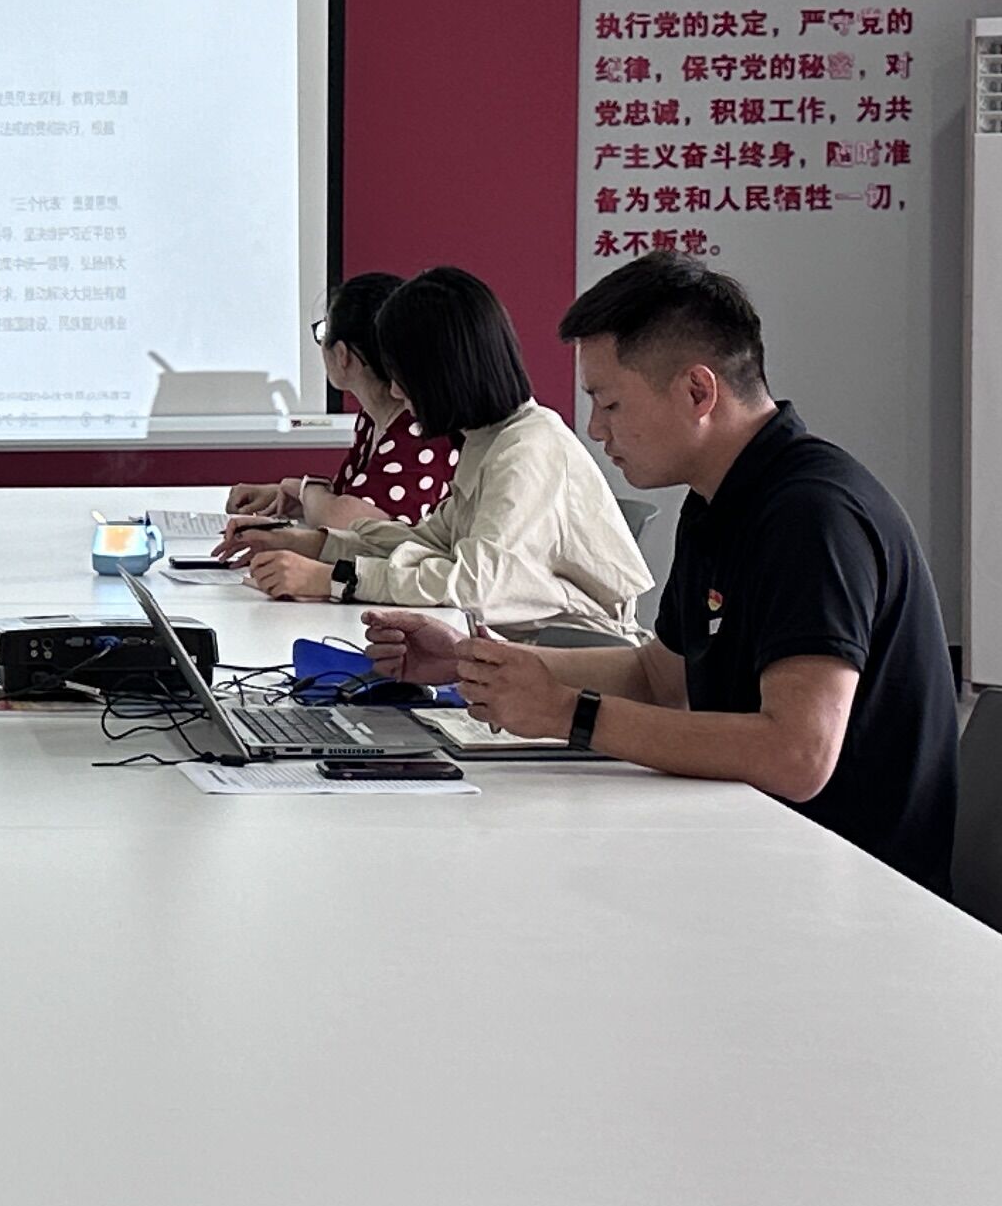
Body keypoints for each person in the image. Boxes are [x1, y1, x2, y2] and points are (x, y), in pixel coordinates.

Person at [372, 254, 961, 895]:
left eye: (609, 403)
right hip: (751, 839)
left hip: (847, 885)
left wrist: (570, 714)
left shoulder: (811, 515)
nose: (595, 429)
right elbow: (660, 676)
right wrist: (471, 661)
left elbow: (797, 756)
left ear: (697, 392)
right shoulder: (717, 502)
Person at [238, 265, 649, 634]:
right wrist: (314, 544)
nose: (395, 391)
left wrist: (335, 578)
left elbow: (473, 586)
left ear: (440, 375)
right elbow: (429, 542)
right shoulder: (488, 439)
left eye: (402, 376)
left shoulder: (526, 452)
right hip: (516, 647)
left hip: (570, 656)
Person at [223, 271, 460, 539]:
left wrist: (305, 489)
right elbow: (346, 498)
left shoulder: (418, 428)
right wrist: (291, 497)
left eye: (324, 331)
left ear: (342, 354)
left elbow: (343, 521)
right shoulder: (373, 417)